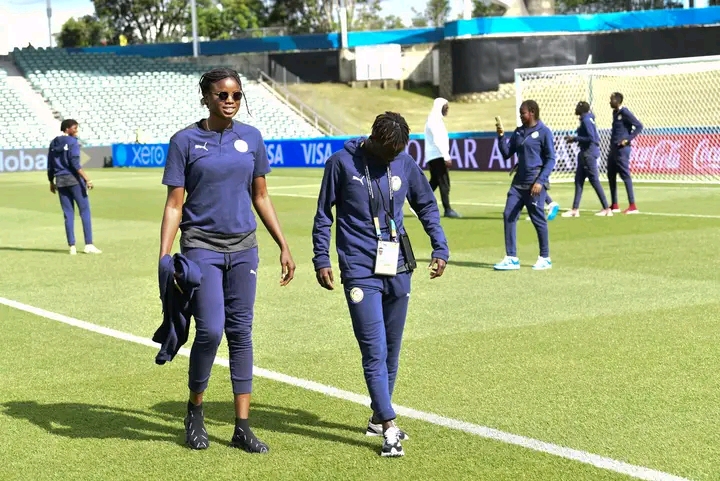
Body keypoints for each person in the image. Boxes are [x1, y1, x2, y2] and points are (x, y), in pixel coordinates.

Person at [159, 67, 296, 453]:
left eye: (236, 94)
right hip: (201, 246)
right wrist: (164, 256)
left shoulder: (251, 138)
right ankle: (196, 411)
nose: (230, 101)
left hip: (244, 248)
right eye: (222, 95)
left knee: (241, 333)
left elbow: (262, 196)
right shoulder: (184, 140)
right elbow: (174, 205)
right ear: (206, 97)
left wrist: (283, 244)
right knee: (211, 331)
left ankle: (241, 426)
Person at [312, 111, 449, 457]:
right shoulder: (341, 164)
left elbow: (426, 205)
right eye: (389, 151)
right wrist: (321, 257)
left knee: (392, 347)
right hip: (359, 268)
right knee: (373, 349)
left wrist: (440, 246)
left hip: (398, 263)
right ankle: (389, 426)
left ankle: (376, 416)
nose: (394, 156)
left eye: (399, 151)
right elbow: (323, 215)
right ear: (374, 140)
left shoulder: (403, 161)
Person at [494, 100, 555, 271]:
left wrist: (540, 181)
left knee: (538, 220)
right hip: (518, 184)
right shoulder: (519, 132)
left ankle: (545, 257)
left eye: (523, 113)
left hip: (534, 184)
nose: (521, 116)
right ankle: (511, 257)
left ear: (533, 112)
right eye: (520, 113)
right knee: (508, 215)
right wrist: (500, 137)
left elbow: (551, 159)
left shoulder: (544, 132)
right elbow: (506, 153)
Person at [47, 119, 101, 255]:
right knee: (84, 211)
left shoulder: (53, 143)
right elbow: (75, 163)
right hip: (74, 181)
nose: (76, 131)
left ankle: (72, 246)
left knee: (68, 214)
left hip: (60, 180)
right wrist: (87, 179)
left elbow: (50, 165)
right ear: (67, 129)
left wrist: (51, 182)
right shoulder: (72, 142)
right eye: (75, 128)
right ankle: (88, 244)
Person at [562, 101, 613, 217]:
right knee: (578, 180)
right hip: (584, 153)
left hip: (588, 153)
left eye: (576, 107)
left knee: (594, 180)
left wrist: (575, 138)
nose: (575, 109)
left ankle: (606, 208)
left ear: (581, 110)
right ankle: (575, 209)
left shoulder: (586, 120)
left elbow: (591, 138)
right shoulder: (588, 119)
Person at [424, 97, 461, 218]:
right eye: (446, 107)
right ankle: (447, 209)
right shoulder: (434, 121)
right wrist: (446, 157)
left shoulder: (435, 119)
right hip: (437, 156)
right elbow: (437, 140)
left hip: (435, 156)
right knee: (444, 183)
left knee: (434, 182)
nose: (447, 109)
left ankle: (418, 203)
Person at [608, 92, 643, 214]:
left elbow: (639, 126)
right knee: (611, 175)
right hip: (613, 148)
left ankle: (632, 205)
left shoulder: (625, 112)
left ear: (618, 101)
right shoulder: (615, 113)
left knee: (625, 175)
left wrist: (627, 139)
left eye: (612, 100)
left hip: (622, 150)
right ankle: (614, 204)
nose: (610, 102)